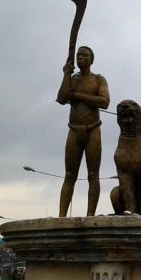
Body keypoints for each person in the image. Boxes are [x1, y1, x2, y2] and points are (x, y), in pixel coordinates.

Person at [57, 46, 110, 217]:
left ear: (91, 60)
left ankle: (90, 215)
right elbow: (62, 98)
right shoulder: (72, 79)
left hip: (92, 129)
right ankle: (62, 216)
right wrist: (66, 74)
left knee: (93, 175)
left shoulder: (98, 79)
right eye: (78, 55)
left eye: (85, 55)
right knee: (69, 175)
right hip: (74, 129)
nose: (80, 57)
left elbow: (104, 101)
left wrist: (78, 96)